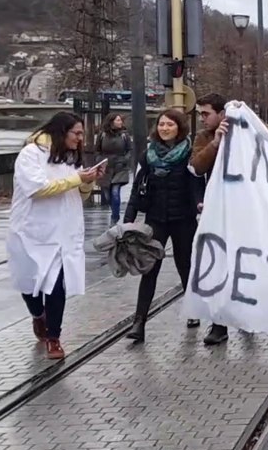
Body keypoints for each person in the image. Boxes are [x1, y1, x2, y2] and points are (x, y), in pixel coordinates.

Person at [8, 112, 100, 359]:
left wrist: (87, 182)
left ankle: (54, 337)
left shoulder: (70, 158)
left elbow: (78, 194)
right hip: (32, 231)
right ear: (61, 132)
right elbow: (37, 189)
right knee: (29, 285)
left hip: (62, 232)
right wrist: (75, 179)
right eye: (77, 134)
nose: (80, 139)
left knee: (56, 285)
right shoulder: (31, 154)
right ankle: (38, 315)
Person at [125, 109, 206, 342]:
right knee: (149, 270)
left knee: (185, 267)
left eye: (169, 124)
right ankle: (139, 322)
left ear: (179, 127)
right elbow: (137, 187)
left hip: (183, 219)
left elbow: (195, 184)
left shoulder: (190, 153)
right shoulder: (148, 155)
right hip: (155, 220)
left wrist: (199, 204)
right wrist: (128, 219)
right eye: (161, 124)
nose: (164, 128)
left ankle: (193, 310)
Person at [189, 93, 233, 345]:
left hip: (244, 209)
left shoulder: (244, 131)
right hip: (218, 210)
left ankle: (245, 313)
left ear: (222, 114)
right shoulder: (204, 137)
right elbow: (196, 166)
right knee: (217, 266)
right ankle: (219, 324)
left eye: (206, 114)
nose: (203, 118)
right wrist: (215, 143)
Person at [95, 113, 132, 225]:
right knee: (107, 194)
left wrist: (124, 160)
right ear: (111, 122)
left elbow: (130, 150)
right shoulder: (102, 135)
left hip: (120, 166)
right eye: (118, 120)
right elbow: (97, 150)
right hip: (106, 166)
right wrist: (99, 160)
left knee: (115, 192)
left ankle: (114, 217)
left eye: (121, 120)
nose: (120, 122)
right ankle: (114, 212)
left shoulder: (124, 135)